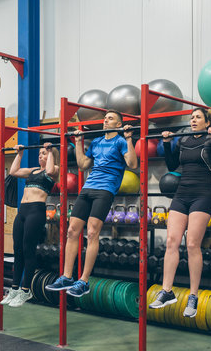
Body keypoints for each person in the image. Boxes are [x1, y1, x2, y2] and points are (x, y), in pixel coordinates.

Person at [148, 107, 211, 318]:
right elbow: (173, 165)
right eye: (192, 117)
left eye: (197, 117)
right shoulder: (184, 140)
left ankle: (193, 295)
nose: (193, 120)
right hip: (181, 194)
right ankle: (167, 291)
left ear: (207, 122)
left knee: (192, 244)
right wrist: (166, 144)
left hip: (202, 195)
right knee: (171, 242)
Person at [46, 110, 137, 296]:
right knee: (72, 231)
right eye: (105, 118)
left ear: (118, 124)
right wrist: (78, 142)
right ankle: (66, 276)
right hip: (88, 188)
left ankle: (84, 280)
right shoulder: (96, 142)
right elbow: (83, 164)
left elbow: (133, 164)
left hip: (105, 190)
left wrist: (128, 139)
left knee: (92, 232)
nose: (105, 120)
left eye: (110, 118)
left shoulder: (120, 141)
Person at [1, 143, 59, 307]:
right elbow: (13, 172)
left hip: (36, 211)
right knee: (17, 250)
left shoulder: (54, 170)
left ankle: (26, 290)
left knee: (28, 250)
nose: (40, 156)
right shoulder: (33, 170)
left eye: (44, 154)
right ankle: (14, 289)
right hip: (23, 212)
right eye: (40, 153)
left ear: (51, 155)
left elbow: (48, 170)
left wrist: (50, 151)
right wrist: (19, 154)